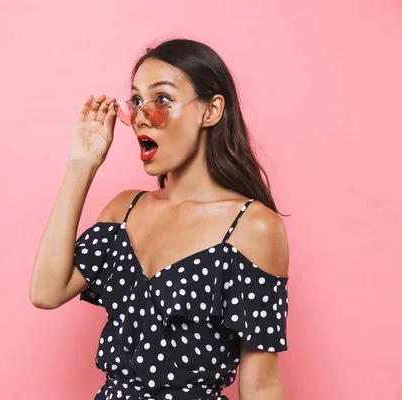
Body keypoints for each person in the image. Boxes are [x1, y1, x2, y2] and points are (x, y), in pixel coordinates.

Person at [30, 38, 290, 400]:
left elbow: (261, 384)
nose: (140, 115)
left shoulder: (253, 227)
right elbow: (46, 291)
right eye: (136, 101)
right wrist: (81, 165)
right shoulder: (125, 210)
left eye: (161, 100)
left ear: (211, 110)